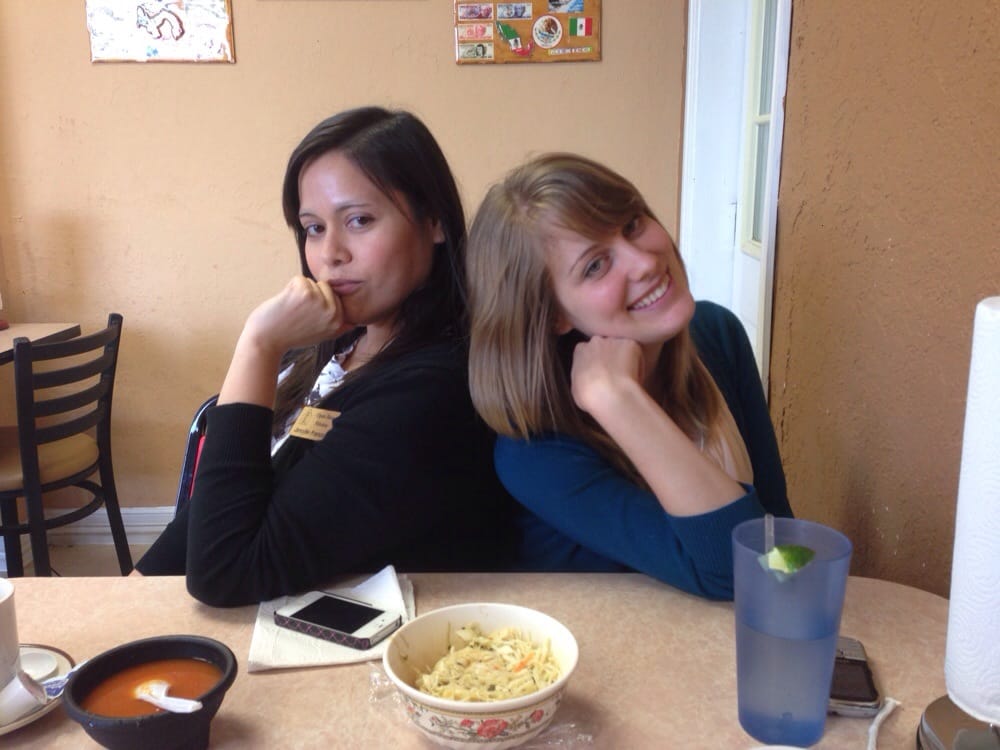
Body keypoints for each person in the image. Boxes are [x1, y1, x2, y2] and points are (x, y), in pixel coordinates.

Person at [136, 107, 517, 606]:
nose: (330, 253)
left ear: (435, 223)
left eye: (359, 220)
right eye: (313, 228)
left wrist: (256, 345)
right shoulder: (342, 343)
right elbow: (241, 482)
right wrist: (136, 586)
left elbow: (225, 572)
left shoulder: (432, 389)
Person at [465, 153, 793, 600]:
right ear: (554, 316)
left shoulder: (718, 335)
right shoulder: (534, 451)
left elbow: (778, 543)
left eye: (633, 224)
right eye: (595, 265)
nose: (643, 262)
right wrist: (618, 401)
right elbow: (741, 572)